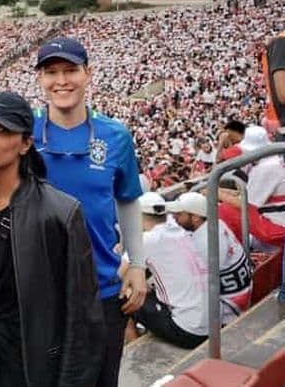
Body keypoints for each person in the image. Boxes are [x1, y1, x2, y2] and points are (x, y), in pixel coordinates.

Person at [0, 91, 104, 387]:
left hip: (30, 364)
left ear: (25, 143)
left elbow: (82, 313)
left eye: (1, 130)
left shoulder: (59, 212)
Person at [32, 36, 146, 387]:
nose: (61, 81)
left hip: (102, 287)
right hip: (40, 288)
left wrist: (138, 264)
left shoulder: (115, 136)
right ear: (40, 79)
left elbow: (127, 199)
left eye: (70, 70)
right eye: (51, 72)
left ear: (88, 74)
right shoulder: (26, 131)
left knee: (102, 379)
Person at [133, 192, 208, 349]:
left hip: (189, 332)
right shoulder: (179, 230)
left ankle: (134, 347)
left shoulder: (148, 239)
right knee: (146, 286)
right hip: (211, 323)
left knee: (125, 293)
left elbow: (120, 274)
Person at [168, 191, 252, 325]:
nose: (174, 217)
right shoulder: (215, 223)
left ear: (195, 217)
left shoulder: (205, 241)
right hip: (238, 292)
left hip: (228, 308)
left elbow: (189, 283)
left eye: (179, 214)